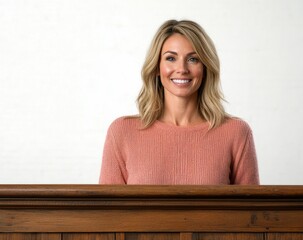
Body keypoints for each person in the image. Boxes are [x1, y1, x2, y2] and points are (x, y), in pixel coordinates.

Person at [99, 19, 259, 185]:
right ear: (156, 68)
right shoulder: (122, 132)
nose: (182, 69)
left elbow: (251, 209)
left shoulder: (236, 133)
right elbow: (108, 209)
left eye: (193, 59)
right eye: (170, 58)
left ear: (205, 68)